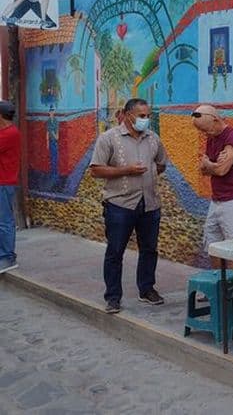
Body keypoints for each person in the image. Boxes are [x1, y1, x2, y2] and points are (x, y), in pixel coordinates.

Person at [90, 98, 168, 314]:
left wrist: (150, 175)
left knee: (149, 249)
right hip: (119, 205)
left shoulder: (153, 139)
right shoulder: (108, 139)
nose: (146, 120)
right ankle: (113, 297)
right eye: (142, 116)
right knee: (115, 251)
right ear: (127, 115)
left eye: (148, 116)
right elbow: (96, 170)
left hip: (150, 203)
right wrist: (126, 171)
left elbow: (161, 163)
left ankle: (147, 289)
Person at [192, 105, 233, 277]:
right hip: (216, 200)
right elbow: (204, 168)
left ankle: (232, 294)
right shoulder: (212, 138)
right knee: (213, 245)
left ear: (216, 120)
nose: (205, 134)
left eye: (206, 129)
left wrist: (211, 166)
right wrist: (211, 166)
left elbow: (222, 170)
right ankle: (218, 285)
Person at [0, 101, 21, 274]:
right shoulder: (6, 132)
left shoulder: (9, 133)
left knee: (5, 221)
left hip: (4, 182)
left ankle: (8, 257)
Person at [46, 105, 58, 180]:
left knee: (55, 157)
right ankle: (53, 173)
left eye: (53, 111)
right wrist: (47, 142)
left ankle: (55, 173)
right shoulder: (48, 122)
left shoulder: (56, 121)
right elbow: (47, 132)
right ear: (49, 112)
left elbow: (57, 130)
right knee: (52, 157)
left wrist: (57, 136)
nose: (52, 112)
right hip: (51, 140)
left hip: (55, 141)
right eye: (51, 111)